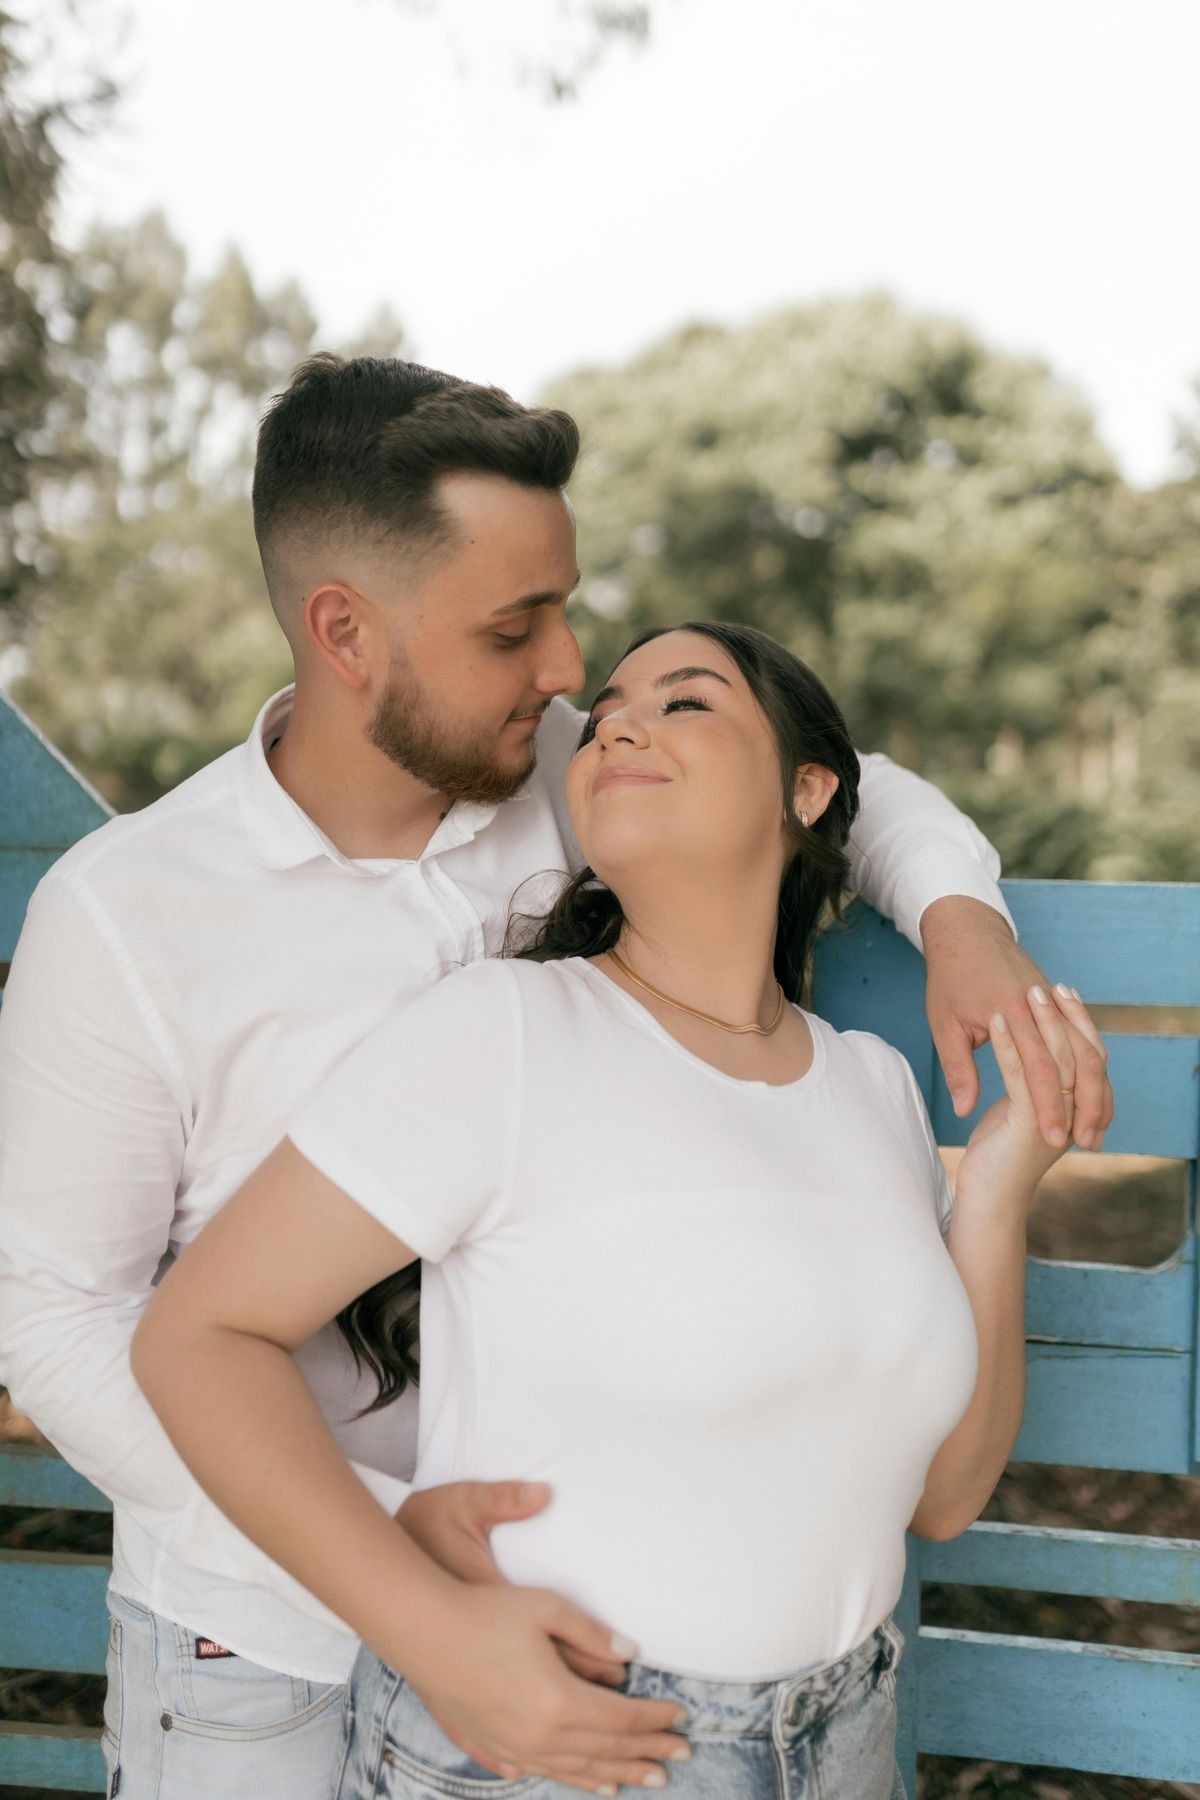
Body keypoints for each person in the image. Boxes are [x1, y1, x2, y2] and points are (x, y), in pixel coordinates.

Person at [0, 358, 1112, 1800]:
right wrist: (401, 1562)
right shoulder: (128, 915)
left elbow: (833, 777)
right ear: (345, 632)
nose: (570, 668)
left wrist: (961, 922)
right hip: (256, 1644)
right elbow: (58, 1321)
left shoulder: (570, 777)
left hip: (621, 1645)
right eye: (513, 627)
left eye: (567, 610)